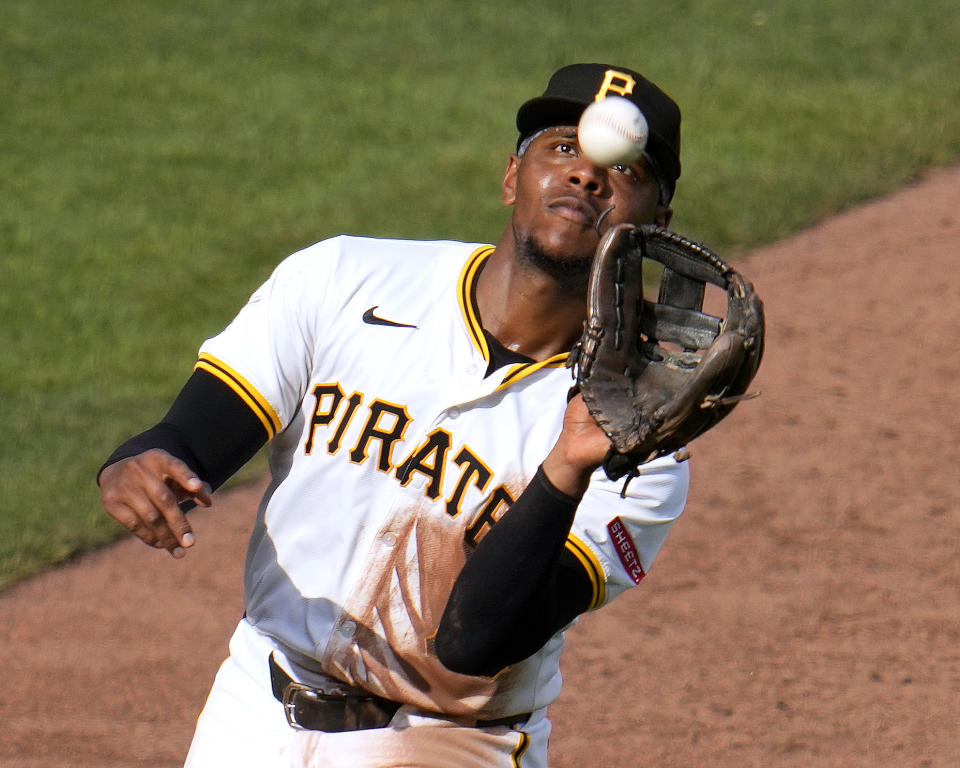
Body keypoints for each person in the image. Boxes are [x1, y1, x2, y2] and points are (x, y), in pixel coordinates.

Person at [97, 62, 689, 768]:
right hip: (253, 713)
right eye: (562, 147)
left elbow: (482, 640)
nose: (586, 177)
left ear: (656, 226)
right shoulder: (345, 279)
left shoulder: (642, 439)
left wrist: (565, 463)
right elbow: (191, 437)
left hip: (450, 744)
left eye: (622, 170)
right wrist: (139, 465)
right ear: (511, 176)